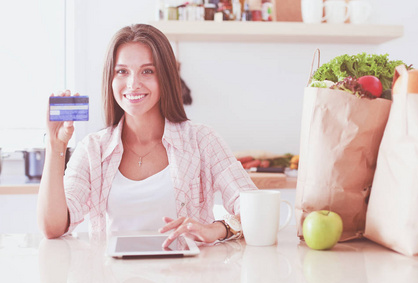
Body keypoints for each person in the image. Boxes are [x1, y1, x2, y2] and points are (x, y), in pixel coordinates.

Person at [37, 24, 257, 247]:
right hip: (111, 279)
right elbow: (53, 227)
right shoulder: (93, 149)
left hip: (187, 277)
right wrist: (56, 146)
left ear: (166, 77)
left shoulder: (202, 140)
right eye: (122, 71)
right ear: (110, 79)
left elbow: (257, 209)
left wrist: (219, 229)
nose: (133, 84)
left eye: (147, 71)